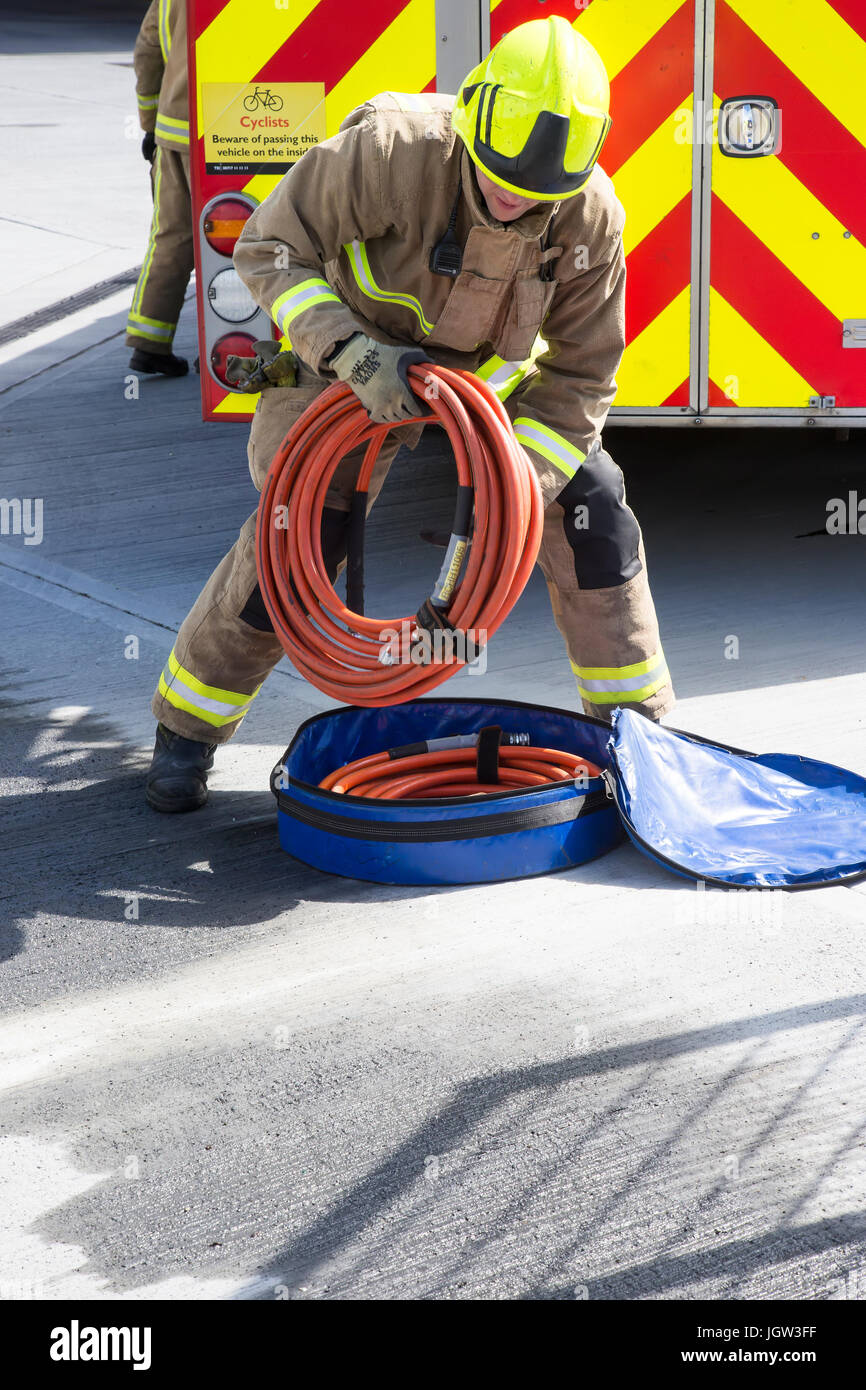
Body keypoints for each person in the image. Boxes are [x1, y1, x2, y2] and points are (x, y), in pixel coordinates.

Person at [145, 15, 674, 813]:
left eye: (536, 195)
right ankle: (186, 730)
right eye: (499, 180)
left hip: (493, 396)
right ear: (473, 121)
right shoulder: (393, 150)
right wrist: (350, 353)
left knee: (595, 507)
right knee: (300, 532)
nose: (513, 198)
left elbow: (581, 373)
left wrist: (515, 483)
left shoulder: (588, 217)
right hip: (353, 363)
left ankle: (644, 738)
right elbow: (268, 248)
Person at [126, 0, 193, 376]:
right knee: (252, 239)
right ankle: (241, 349)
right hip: (251, 133)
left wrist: (150, 123)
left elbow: (147, 51)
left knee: (171, 238)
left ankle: (149, 342)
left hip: (175, 133)